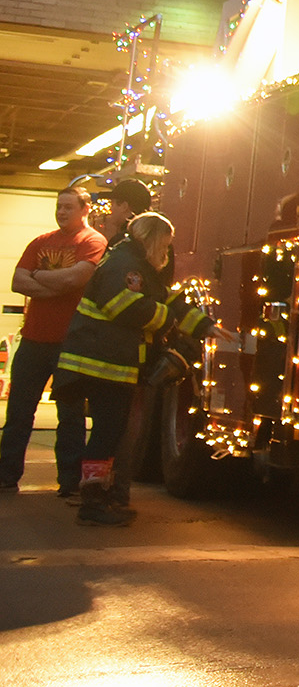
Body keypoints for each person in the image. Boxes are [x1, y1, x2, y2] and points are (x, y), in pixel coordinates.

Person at [51, 211, 178, 526]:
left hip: (105, 365)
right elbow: (124, 306)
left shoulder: (130, 263)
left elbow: (165, 301)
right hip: (102, 367)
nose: (166, 252)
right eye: (164, 245)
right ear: (150, 239)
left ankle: (100, 498)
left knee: (108, 434)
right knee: (106, 436)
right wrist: (167, 318)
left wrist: (198, 324)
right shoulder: (126, 267)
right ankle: (92, 503)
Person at [0, 186, 108, 499]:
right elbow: (17, 281)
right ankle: (6, 476)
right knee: (19, 413)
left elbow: (77, 280)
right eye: (59, 207)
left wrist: (38, 279)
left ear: (85, 208)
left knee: (70, 415)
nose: (61, 212)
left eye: (68, 207)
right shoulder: (41, 241)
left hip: (70, 344)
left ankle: (70, 482)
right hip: (34, 340)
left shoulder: (93, 242)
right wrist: (56, 285)